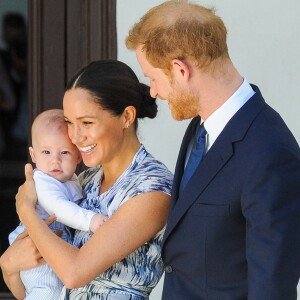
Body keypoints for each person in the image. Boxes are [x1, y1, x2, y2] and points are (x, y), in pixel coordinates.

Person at [125, 1, 300, 299]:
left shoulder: (270, 153)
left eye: (153, 78)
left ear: (180, 70)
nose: (153, 91)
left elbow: (272, 288)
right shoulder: (200, 127)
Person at [0, 60, 173, 300]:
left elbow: (73, 273)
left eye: (87, 123)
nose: (76, 136)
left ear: (127, 117)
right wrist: (8, 268)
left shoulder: (152, 188)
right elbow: (47, 288)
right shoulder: (85, 180)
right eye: (70, 123)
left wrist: (25, 208)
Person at [9, 108, 107, 299]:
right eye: (46, 152)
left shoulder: (74, 180)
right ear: (33, 155)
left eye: (64, 152)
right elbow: (59, 209)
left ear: (78, 156)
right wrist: (91, 220)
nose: (55, 160)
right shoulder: (42, 182)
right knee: (48, 290)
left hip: (51, 246)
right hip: (34, 248)